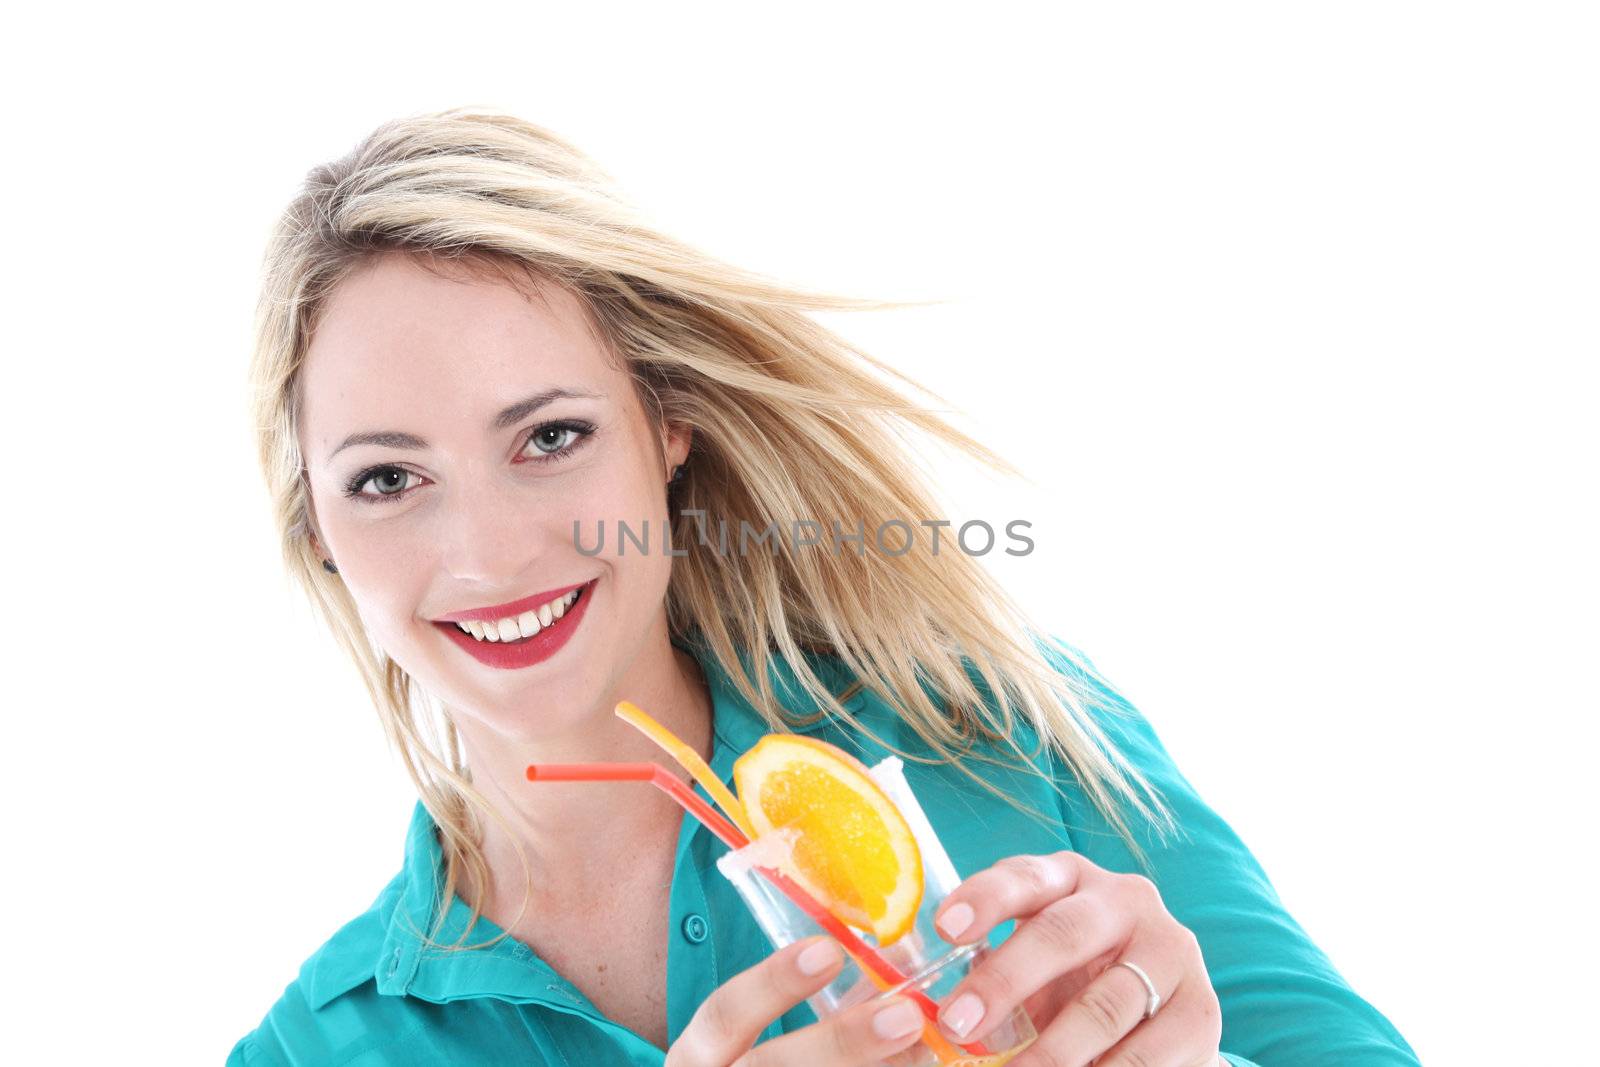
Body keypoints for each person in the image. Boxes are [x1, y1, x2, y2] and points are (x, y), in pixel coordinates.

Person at [228, 107, 1421, 1067]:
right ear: (318, 529)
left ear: (668, 423)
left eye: (548, 438)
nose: (488, 554)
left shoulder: (1001, 724)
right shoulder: (310, 1047)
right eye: (386, 476)